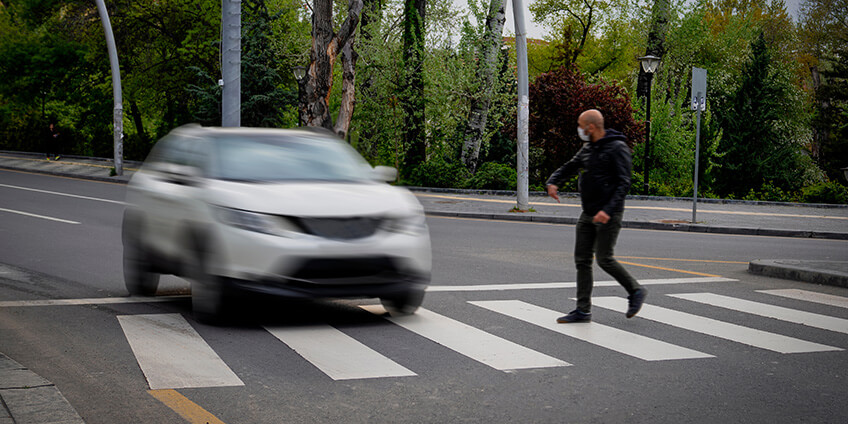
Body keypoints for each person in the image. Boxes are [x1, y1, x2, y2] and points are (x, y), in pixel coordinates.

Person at [545, 109, 646, 323]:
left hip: (608, 214)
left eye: (581, 125)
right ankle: (583, 310)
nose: (579, 129)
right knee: (582, 260)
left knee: (604, 258)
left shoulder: (617, 148)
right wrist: (554, 181)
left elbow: (623, 183)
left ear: (591, 127)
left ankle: (635, 290)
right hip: (588, 212)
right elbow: (571, 166)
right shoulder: (588, 147)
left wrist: (607, 211)